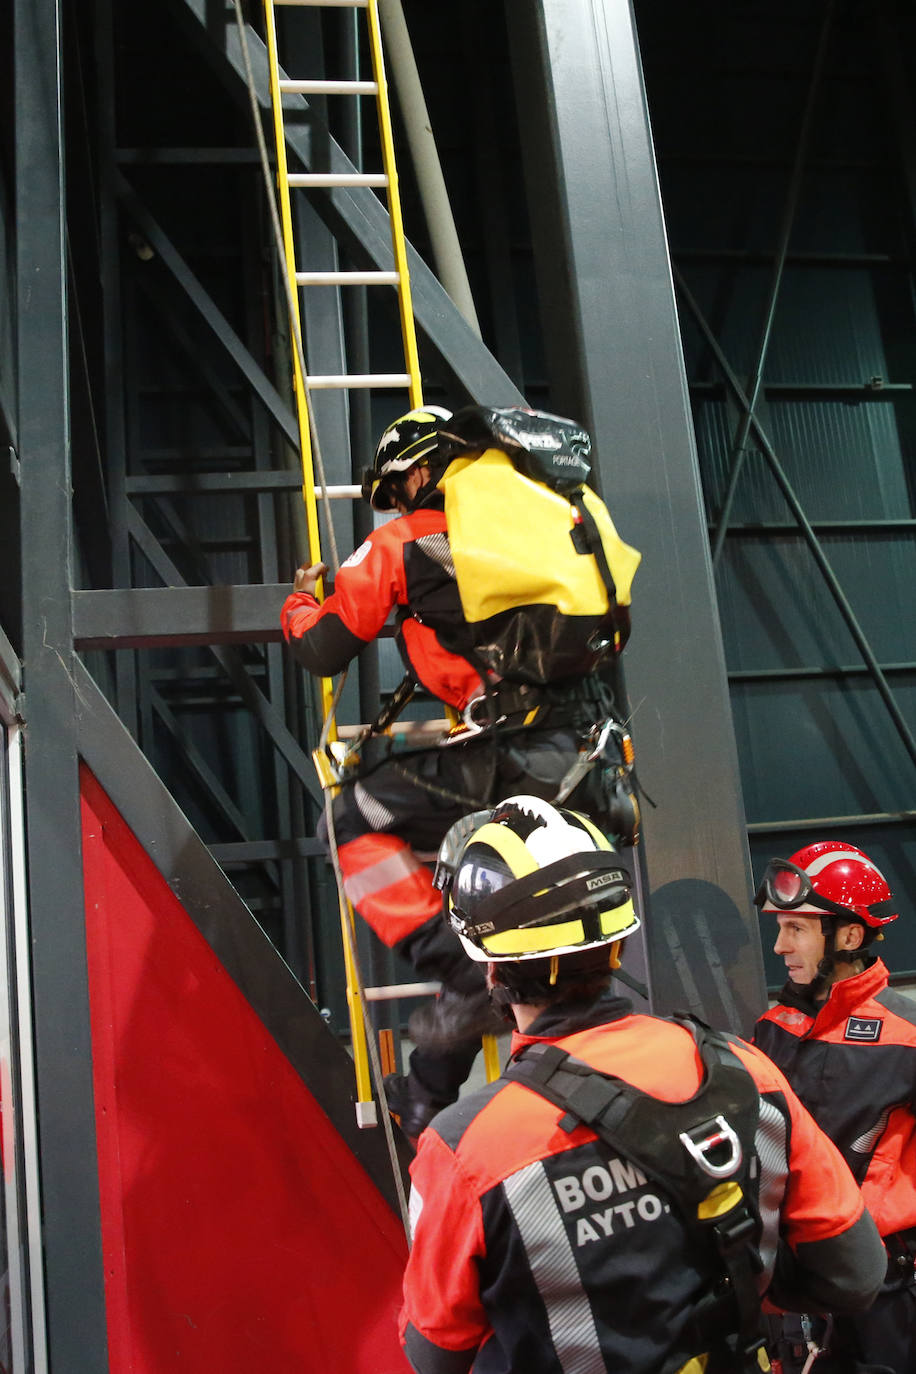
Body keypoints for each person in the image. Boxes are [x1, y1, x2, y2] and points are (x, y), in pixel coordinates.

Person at [399, 796, 886, 1374]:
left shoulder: (466, 1148)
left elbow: (435, 1356)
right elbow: (854, 1275)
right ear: (617, 945)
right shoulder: (745, 1070)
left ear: (490, 967)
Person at [281, 404, 637, 1140]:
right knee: (494, 891)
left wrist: (300, 602)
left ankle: (462, 975)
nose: (397, 501)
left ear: (416, 471)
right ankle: (430, 1086)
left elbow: (320, 649)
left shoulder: (403, 540)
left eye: (395, 487)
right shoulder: (549, 527)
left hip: (514, 759)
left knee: (356, 820)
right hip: (591, 758)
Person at [753, 840, 916, 1374]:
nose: (779, 946)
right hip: (790, 1281)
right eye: (780, 928)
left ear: (848, 936)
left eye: (795, 929)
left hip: (883, 1288)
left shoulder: (906, 1036)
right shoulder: (772, 1029)